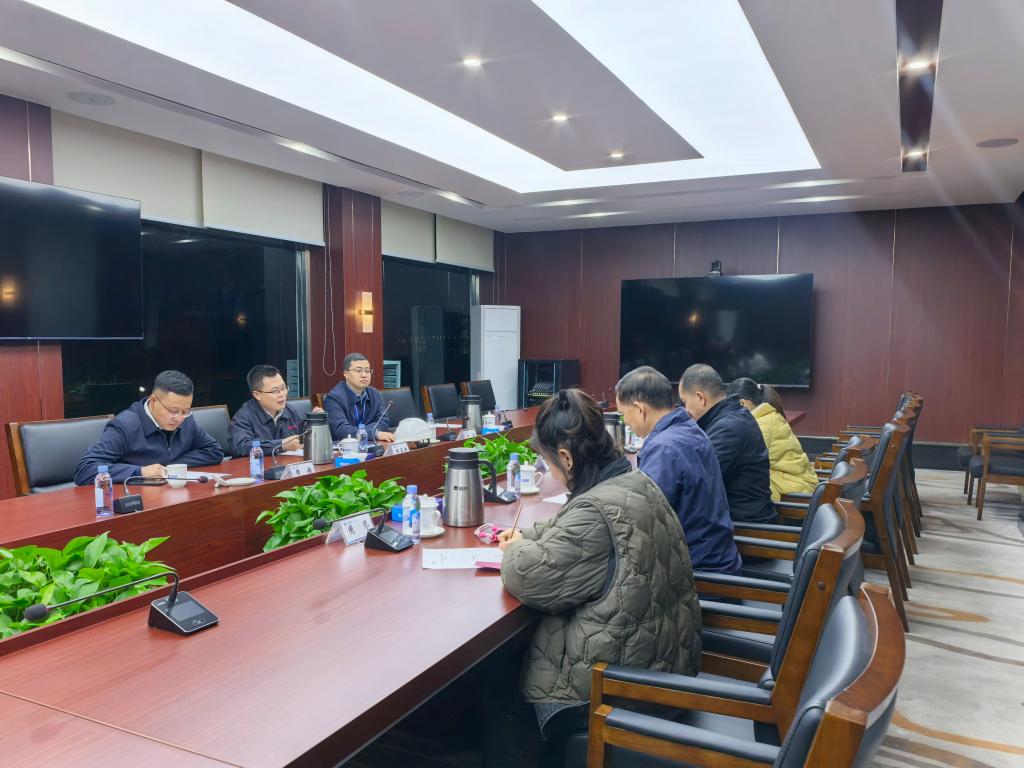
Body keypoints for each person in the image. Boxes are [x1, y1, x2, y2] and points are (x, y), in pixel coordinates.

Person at [492, 389, 700, 764]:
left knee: (495, 692)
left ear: (566, 458)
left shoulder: (595, 509)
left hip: (619, 691)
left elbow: (528, 577)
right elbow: (570, 529)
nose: (552, 472)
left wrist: (515, 550)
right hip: (661, 664)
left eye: (549, 463)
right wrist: (527, 535)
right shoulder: (633, 481)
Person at [616, 367, 742, 574]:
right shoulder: (689, 429)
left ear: (640, 409)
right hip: (717, 556)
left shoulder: (663, 448)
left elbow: (644, 522)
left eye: (623, 415)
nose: (626, 423)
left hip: (697, 571)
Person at [74, 370, 223, 485]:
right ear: (153, 401)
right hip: (134, 499)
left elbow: (214, 451)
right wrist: (140, 471)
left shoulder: (186, 420)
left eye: (185, 411)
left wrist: (171, 466)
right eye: (173, 411)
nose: (178, 418)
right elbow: (85, 469)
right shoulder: (125, 426)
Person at [678, 363, 776, 523]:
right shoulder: (733, 416)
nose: (685, 409)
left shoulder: (728, 429)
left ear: (700, 398)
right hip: (733, 518)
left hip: (744, 527)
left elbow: (699, 485)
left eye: (684, 402)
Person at [726, 377, 818, 499]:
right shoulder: (768, 417)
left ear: (743, 403)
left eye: (728, 408)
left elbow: (739, 461)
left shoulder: (761, 425)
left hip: (795, 489)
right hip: (797, 481)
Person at [227, 365, 322, 458]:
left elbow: (304, 434)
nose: (282, 394)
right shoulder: (244, 416)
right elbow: (240, 446)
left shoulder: (290, 410)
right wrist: (282, 445)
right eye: (275, 391)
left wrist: (315, 422)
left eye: (283, 388)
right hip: (259, 467)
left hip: (288, 465)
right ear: (257, 395)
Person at [323, 353, 395, 442]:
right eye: (358, 371)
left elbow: (383, 421)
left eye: (367, 371)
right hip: (345, 447)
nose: (364, 375)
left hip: (370, 444)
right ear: (346, 374)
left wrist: (363, 432)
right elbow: (341, 429)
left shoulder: (374, 393)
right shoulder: (334, 398)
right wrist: (374, 433)